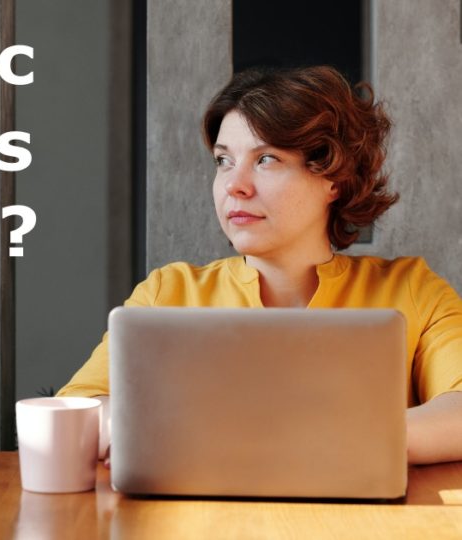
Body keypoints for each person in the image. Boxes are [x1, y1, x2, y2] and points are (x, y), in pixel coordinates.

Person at [57, 65, 462, 465]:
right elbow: (75, 410)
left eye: (266, 159)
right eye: (223, 161)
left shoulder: (413, 289)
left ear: (333, 178)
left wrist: (317, 438)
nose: (235, 185)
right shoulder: (168, 292)